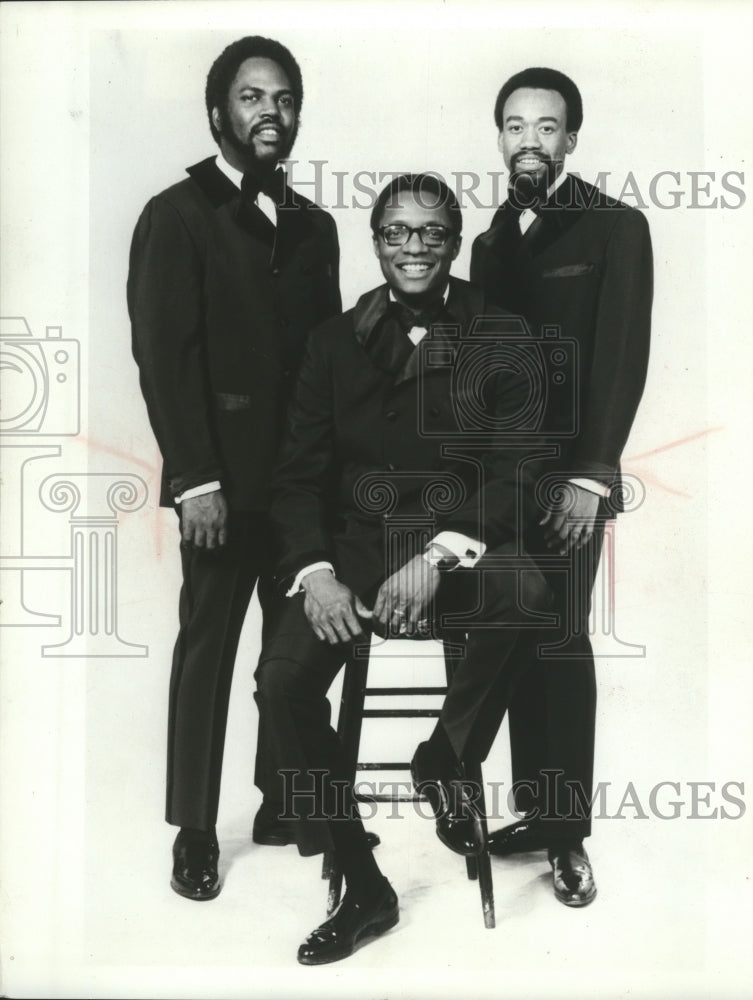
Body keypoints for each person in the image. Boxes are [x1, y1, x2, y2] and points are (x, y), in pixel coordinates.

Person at [260, 173, 553, 963]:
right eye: (397, 232)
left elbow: (519, 466)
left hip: (456, 545)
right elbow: (294, 478)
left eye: (430, 232)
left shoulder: (502, 330)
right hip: (352, 555)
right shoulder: (331, 340)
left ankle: (444, 756)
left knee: (527, 592)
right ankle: (359, 878)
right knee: (280, 683)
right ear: (377, 241)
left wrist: (438, 555)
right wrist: (316, 573)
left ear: (454, 242)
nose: (413, 247)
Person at [127, 35, 342, 901]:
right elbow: (164, 357)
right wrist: (194, 479)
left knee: (287, 650)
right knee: (209, 647)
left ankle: (280, 798)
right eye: (253, 98)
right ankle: (191, 828)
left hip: (299, 487)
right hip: (220, 485)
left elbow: (326, 364)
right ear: (218, 112)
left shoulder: (314, 224)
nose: (270, 114)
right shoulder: (176, 215)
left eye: (284, 99)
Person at [470, 67, 653, 905]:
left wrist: (591, 475)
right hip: (501, 482)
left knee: (559, 640)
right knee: (511, 633)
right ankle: (537, 815)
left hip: (571, 482)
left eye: (547, 127)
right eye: (515, 126)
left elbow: (620, 361)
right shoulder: (487, 244)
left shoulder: (616, 228)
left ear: (570, 139)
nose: (529, 141)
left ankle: (568, 834)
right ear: (500, 137)